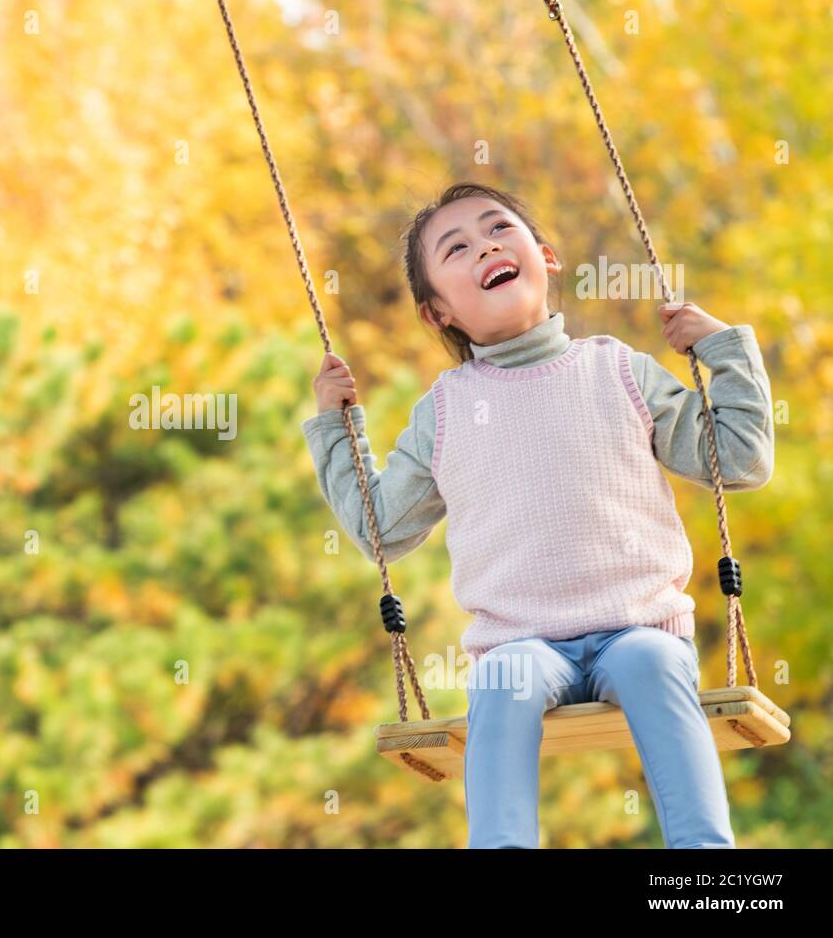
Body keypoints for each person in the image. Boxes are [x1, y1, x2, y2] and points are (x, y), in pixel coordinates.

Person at [302, 181, 775, 848]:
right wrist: (333, 426)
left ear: (545, 256)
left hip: (638, 625)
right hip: (520, 642)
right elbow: (383, 531)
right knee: (504, 677)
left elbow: (739, 459)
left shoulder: (618, 371)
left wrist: (724, 351)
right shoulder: (445, 412)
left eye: (498, 229)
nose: (485, 246)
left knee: (651, 664)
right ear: (436, 313)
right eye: (456, 247)